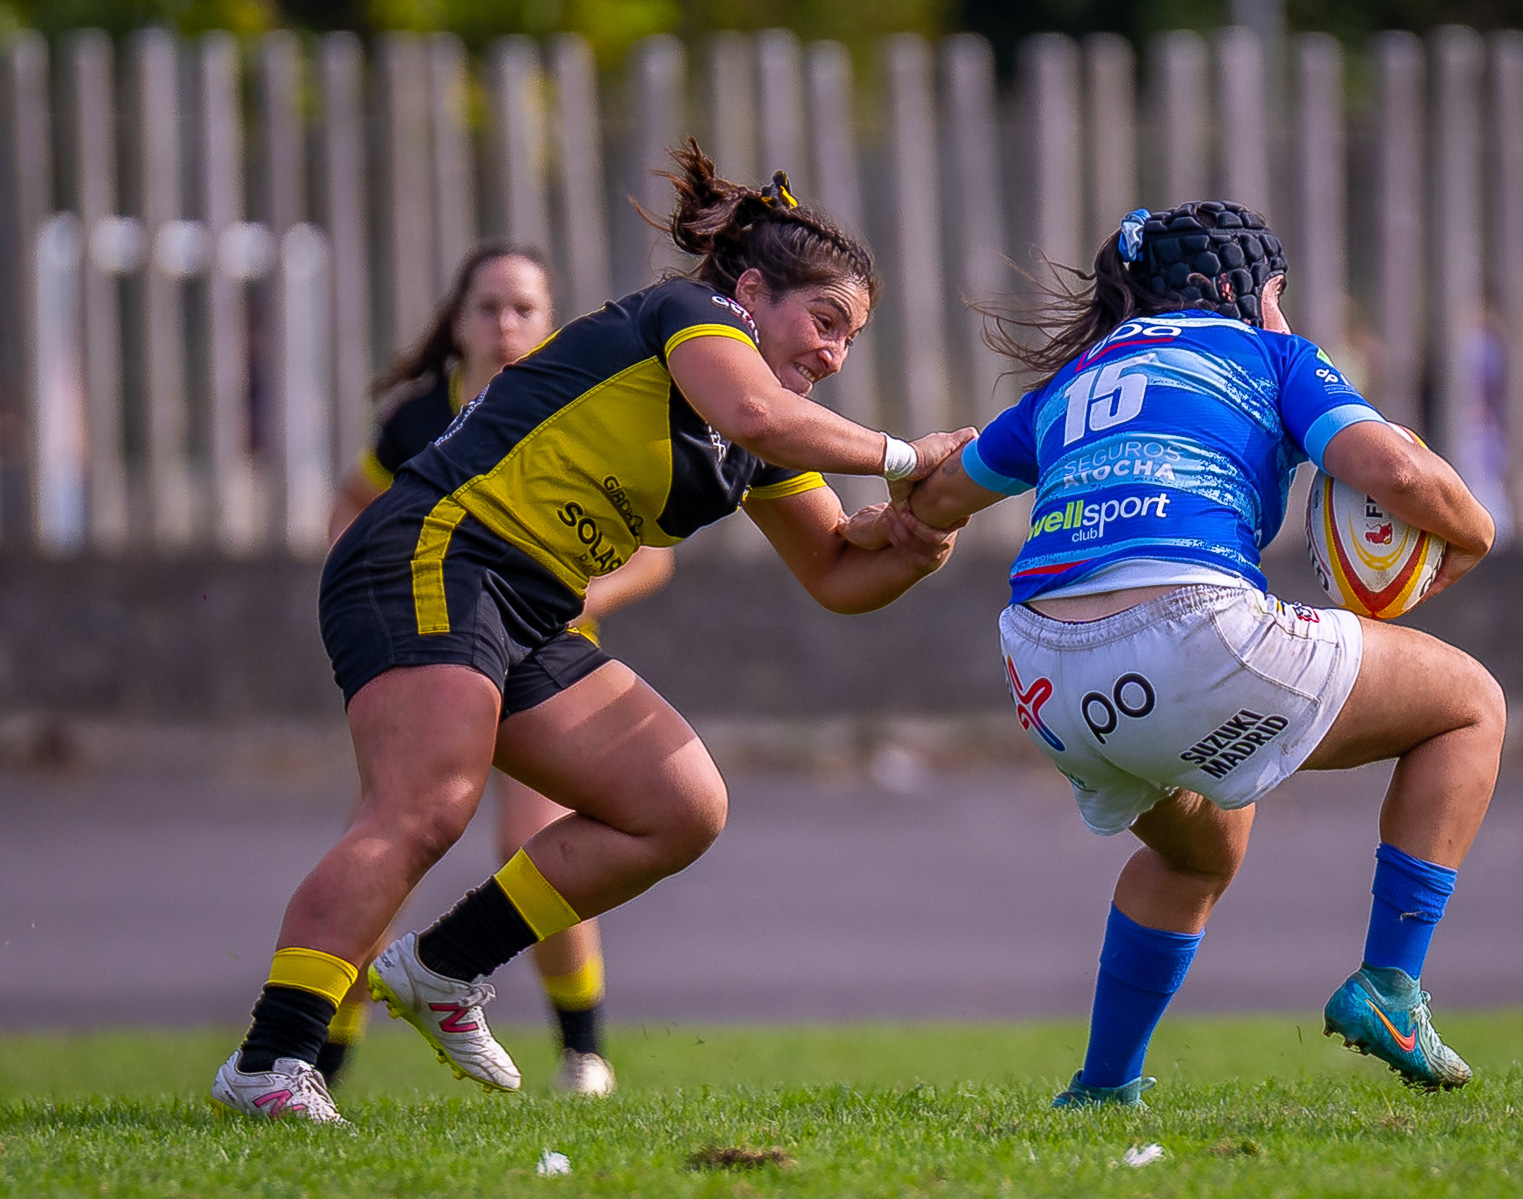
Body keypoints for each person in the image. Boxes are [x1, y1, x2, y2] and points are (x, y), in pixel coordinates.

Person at [210, 141, 966, 1123]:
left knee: (679, 804)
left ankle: (444, 966)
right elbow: (755, 412)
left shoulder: (765, 433)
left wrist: (924, 535)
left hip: (532, 603)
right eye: (825, 322)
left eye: (849, 340)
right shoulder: (693, 317)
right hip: (438, 551)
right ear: (750, 292)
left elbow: (835, 572)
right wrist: (906, 453)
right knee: (425, 807)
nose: (834, 355)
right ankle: (269, 1060)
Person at [873, 200, 1504, 1105]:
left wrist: (890, 521)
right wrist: (1474, 533)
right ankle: (1391, 985)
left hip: (1043, 676)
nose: (1284, 313)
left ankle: (1102, 1088)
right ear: (1244, 292)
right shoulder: (1272, 355)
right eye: (1279, 294)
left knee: (1198, 853)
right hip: (1190, 630)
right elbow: (1394, 470)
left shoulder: (1072, 381)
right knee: (1471, 706)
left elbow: (936, 501)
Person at [318, 243, 674, 1097]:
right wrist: (366, 590)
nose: (505, 324)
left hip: (543, 652)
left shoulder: (579, 399)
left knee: (531, 842)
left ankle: (583, 1052)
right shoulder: (417, 418)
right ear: (458, 322)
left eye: (524, 308)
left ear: (551, 323)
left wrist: (585, 590)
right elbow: (353, 503)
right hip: (432, 647)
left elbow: (656, 554)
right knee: (390, 840)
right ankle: (314, 1059)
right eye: (488, 307)